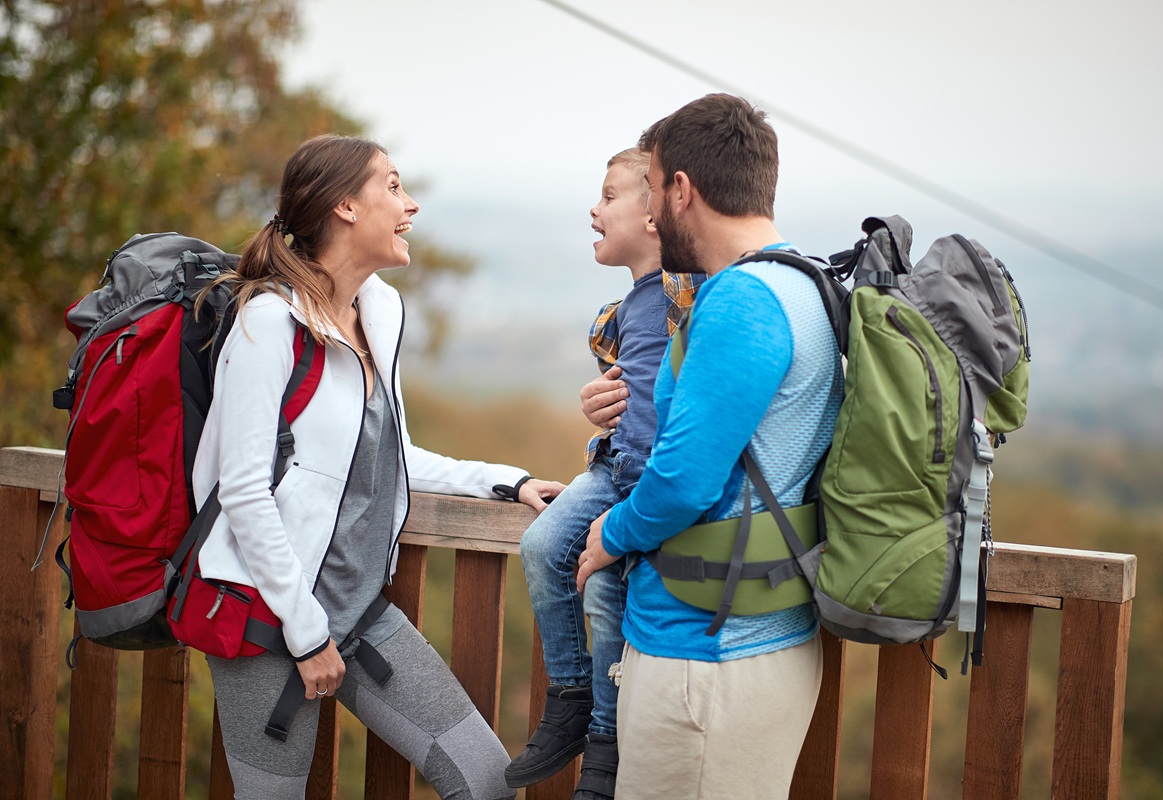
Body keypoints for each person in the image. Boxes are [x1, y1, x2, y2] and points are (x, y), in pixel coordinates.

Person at [192, 133, 563, 799]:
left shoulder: (380, 311)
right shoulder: (268, 326)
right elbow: (243, 490)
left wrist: (503, 481)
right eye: (392, 186)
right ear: (343, 208)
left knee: (485, 782)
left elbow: (388, 451)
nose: (410, 204)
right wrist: (305, 636)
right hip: (264, 616)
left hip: (357, 611)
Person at [575, 94, 844, 798]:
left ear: (682, 190)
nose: (653, 214)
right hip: (762, 630)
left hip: (705, 656)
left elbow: (685, 480)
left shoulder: (738, 302)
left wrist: (612, 532)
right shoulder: (802, 284)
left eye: (657, 190)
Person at [506, 148, 702, 800]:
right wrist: (602, 397)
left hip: (646, 483)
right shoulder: (630, 308)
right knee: (539, 545)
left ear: (653, 218)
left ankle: (603, 745)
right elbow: (633, 389)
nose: (594, 208)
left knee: (602, 593)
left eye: (609, 195)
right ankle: (570, 693)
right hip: (614, 467)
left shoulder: (689, 291)